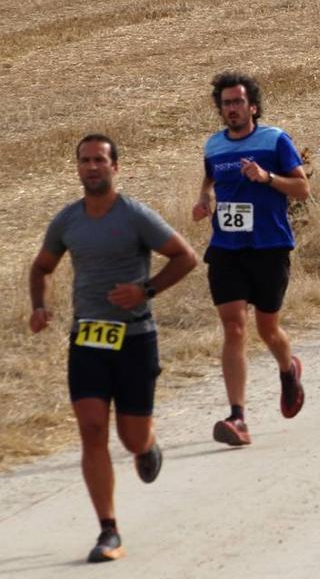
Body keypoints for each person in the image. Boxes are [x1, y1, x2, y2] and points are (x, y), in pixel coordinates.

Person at [30, 135, 197, 562]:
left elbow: (185, 257)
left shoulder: (134, 215)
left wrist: (146, 290)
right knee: (91, 430)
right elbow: (43, 266)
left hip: (135, 339)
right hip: (87, 339)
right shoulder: (68, 220)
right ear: (78, 167)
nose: (92, 167)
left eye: (99, 160)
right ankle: (108, 530)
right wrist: (40, 305)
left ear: (115, 167)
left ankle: (147, 445)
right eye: (85, 160)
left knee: (132, 437)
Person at [193, 72, 309, 447]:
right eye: (226, 103)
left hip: (269, 246)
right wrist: (203, 199)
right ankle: (238, 417)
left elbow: (302, 188)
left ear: (253, 107)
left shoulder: (274, 140)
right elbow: (209, 178)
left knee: (267, 329)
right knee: (234, 328)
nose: (232, 108)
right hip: (226, 248)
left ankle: (288, 369)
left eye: (238, 102)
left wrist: (267, 177)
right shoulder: (214, 146)